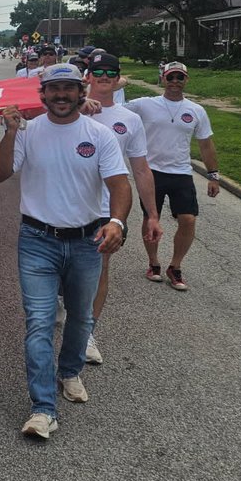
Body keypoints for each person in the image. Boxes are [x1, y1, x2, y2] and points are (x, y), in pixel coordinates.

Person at [0, 64, 131, 440]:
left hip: (86, 241)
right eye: (54, 89)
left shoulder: (99, 135)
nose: (61, 95)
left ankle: (69, 370)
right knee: (39, 321)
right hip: (37, 240)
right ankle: (43, 409)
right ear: (43, 94)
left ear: (81, 92)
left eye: (69, 88)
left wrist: (117, 222)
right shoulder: (28, 132)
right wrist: (10, 132)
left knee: (81, 317)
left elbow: (118, 184)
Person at [83, 51, 163, 364]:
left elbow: (141, 169)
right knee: (66, 270)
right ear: (88, 76)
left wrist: (152, 214)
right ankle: (68, 304)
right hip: (68, 205)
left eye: (110, 72)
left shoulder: (129, 120)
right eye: (97, 71)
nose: (103, 76)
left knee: (99, 268)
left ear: (118, 79)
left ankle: (88, 331)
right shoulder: (69, 109)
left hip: (106, 207)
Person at [125, 61, 219, 291]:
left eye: (180, 77)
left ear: (186, 80)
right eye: (170, 77)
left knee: (188, 219)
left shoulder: (196, 110)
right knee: (150, 218)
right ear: (162, 79)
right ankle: (153, 263)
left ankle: (175, 266)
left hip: (181, 173)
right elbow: (113, 111)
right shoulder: (144, 105)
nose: (175, 82)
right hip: (151, 171)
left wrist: (213, 175)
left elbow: (205, 145)